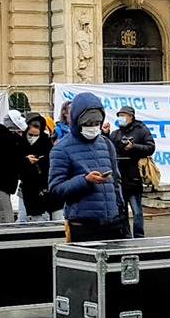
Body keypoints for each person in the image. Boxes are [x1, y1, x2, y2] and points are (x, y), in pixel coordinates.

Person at [49, 92, 129, 242]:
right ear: (77, 121)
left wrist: (122, 216)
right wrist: (85, 181)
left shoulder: (106, 144)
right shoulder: (61, 149)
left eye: (96, 123)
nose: (92, 128)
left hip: (113, 223)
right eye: (88, 124)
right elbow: (55, 189)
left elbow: (116, 184)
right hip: (83, 227)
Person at [111, 103, 157, 237]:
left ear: (131, 117)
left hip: (134, 177)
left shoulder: (141, 130)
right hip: (120, 178)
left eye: (123, 115)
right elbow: (109, 148)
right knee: (122, 211)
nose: (121, 118)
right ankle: (126, 235)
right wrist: (106, 134)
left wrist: (134, 147)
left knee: (137, 210)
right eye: (119, 116)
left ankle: (139, 236)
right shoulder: (116, 133)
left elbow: (150, 147)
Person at [19, 115, 58, 221]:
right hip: (26, 190)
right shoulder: (21, 144)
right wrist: (26, 161)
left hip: (44, 189)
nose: (32, 138)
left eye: (36, 135)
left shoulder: (46, 144)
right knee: (23, 219)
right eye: (30, 135)